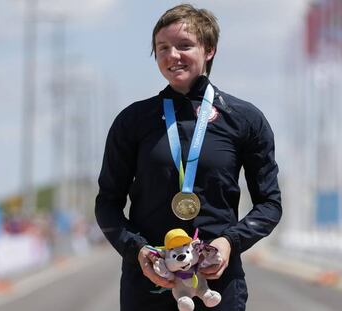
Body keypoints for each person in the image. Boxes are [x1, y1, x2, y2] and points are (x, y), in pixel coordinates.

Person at [95, 4, 282, 311]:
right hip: (148, 282)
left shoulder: (244, 119)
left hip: (218, 282)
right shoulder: (132, 121)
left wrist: (229, 243)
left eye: (184, 46)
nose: (172, 56)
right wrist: (138, 251)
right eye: (163, 48)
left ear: (209, 49)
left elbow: (270, 205)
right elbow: (107, 202)